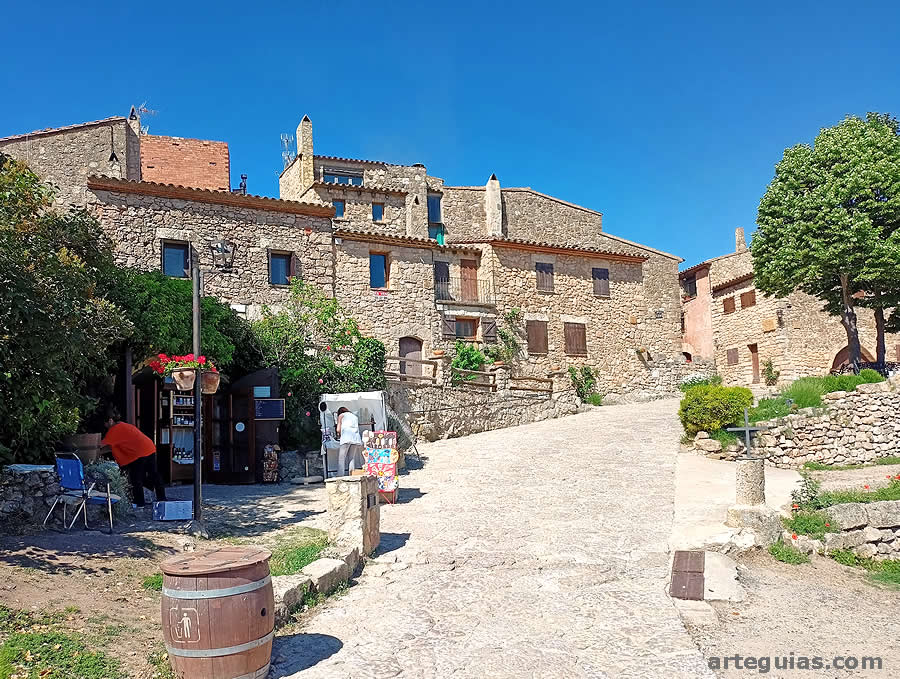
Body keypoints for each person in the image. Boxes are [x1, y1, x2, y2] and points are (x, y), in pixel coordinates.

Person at [101, 413, 167, 507]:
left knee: (136, 479)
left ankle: (139, 503)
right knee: (154, 474)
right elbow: (112, 446)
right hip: (149, 447)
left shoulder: (114, 430)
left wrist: (90, 451)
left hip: (139, 453)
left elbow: (101, 445)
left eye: (105, 423)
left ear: (110, 420)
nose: (105, 426)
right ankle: (162, 498)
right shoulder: (123, 425)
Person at [335, 407, 362, 476]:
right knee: (351, 458)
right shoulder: (354, 416)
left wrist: (339, 434)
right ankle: (351, 474)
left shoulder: (341, 416)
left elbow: (338, 429)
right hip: (355, 438)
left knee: (341, 458)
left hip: (346, 437)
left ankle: (340, 475)